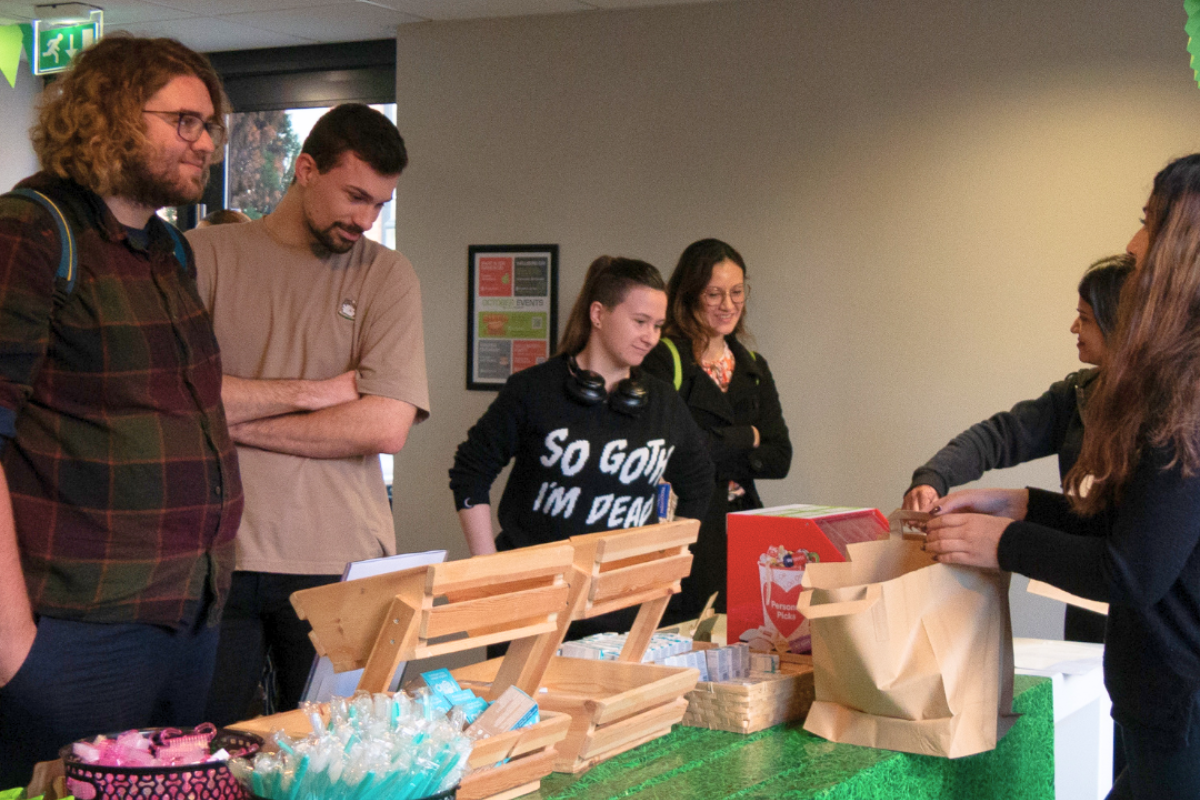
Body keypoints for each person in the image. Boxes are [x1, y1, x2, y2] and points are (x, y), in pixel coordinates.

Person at [0, 36, 243, 785]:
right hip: (74, 629)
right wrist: (13, 643)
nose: (203, 143)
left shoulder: (172, 248)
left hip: (186, 615)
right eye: (184, 122)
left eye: (210, 126)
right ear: (107, 114)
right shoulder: (31, 230)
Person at [924, 153, 1200, 800]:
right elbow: (1143, 533)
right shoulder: (1165, 387)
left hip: (1179, 712)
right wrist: (1023, 506)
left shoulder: (1183, 398)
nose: (1133, 245)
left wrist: (1000, 544)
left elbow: (1132, 572)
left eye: (1147, 224)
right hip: (1161, 707)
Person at [187, 103, 429, 726]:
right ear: (304, 169)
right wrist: (317, 392)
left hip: (343, 563)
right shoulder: (204, 255)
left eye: (380, 204)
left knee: (342, 763)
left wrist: (232, 419)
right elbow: (176, 397)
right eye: (354, 196)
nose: (365, 219)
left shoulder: (388, 275)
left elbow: (384, 427)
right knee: (209, 758)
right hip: (217, 556)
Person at [449, 257, 713, 606]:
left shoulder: (664, 402)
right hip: (534, 593)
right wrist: (488, 570)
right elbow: (470, 471)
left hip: (621, 600)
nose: (650, 337)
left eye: (657, 325)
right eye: (640, 322)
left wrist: (664, 560)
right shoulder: (533, 390)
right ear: (598, 315)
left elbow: (699, 481)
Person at [903, 254, 1133, 642]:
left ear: (1121, 326)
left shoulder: (1168, 421)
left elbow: (1126, 559)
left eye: (1086, 319)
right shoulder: (1077, 395)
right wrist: (933, 477)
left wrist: (1005, 536)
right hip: (1086, 605)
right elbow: (999, 435)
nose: (1073, 327)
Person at [642, 238, 792, 620]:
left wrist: (712, 447)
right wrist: (747, 437)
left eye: (737, 292)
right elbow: (671, 452)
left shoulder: (752, 365)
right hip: (684, 527)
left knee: (741, 637)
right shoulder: (663, 357)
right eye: (714, 294)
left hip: (741, 527)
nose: (728, 305)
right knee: (682, 636)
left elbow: (780, 457)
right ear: (690, 294)